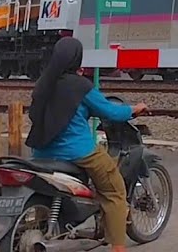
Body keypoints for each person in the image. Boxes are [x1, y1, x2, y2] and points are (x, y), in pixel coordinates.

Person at [26, 37, 147, 252]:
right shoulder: (80, 85)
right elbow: (111, 112)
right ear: (77, 58)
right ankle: (119, 247)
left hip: (41, 153)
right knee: (115, 190)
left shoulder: (43, 82)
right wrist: (134, 109)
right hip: (78, 152)